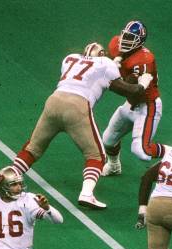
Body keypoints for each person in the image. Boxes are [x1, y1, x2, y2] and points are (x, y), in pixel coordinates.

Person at [11, 42, 152, 209]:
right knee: (96, 155)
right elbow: (128, 90)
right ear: (102, 55)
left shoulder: (70, 59)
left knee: (33, 148)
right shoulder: (106, 64)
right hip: (77, 106)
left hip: (53, 101)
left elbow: (89, 71)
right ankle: (87, 194)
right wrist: (142, 84)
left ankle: (10, 175)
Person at [102, 21, 166, 176]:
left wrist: (116, 75)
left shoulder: (144, 60)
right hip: (131, 104)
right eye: (125, 35)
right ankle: (114, 165)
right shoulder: (115, 43)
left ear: (140, 42)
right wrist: (113, 62)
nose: (125, 40)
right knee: (108, 140)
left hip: (147, 105)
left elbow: (132, 91)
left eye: (131, 38)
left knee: (142, 151)